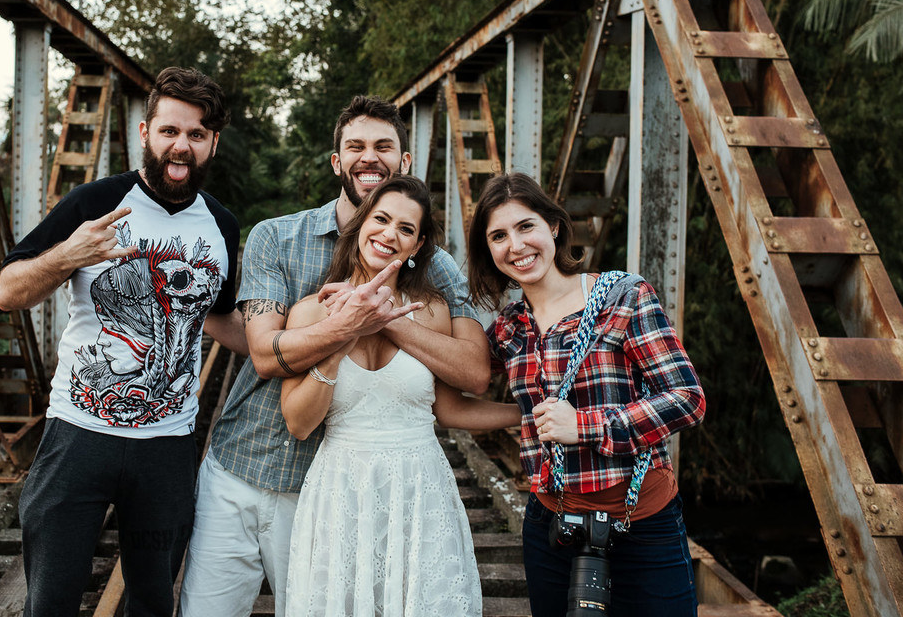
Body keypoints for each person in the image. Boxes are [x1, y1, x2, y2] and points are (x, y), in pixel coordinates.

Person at [179, 96, 490, 617]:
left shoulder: (431, 264)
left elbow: (472, 373)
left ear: (404, 162)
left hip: (327, 491)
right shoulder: (277, 237)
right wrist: (345, 327)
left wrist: (383, 318)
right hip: (242, 463)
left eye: (383, 146)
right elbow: (265, 355)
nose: (369, 157)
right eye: (356, 146)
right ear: (336, 160)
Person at [0, 67, 246, 617]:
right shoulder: (95, 202)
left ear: (213, 143)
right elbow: (8, 292)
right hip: (78, 437)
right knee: (51, 601)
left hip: (167, 448)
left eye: (197, 134)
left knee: (153, 600)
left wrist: (311, 338)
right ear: (145, 132)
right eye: (170, 131)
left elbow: (222, 319)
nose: (181, 146)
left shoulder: (221, 225)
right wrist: (69, 254)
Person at [466, 171, 706, 617]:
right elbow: (456, 373)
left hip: (641, 520)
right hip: (551, 525)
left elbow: (687, 398)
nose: (515, 246)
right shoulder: (508, 328)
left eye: (525, 226)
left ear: (554, 226)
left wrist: (586, 426)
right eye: (498, 236)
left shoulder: (623, 297)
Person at [279, 175, 518, 616]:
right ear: (361, 224)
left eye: (406, 229)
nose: (389, 234)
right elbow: (298, 423)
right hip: (341, 489)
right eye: (381, 219)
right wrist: (345, 333)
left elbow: (452, 406)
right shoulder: (311, 311)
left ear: (417, 245)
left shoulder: (432, 311)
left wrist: (526, 414)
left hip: (420, 489)